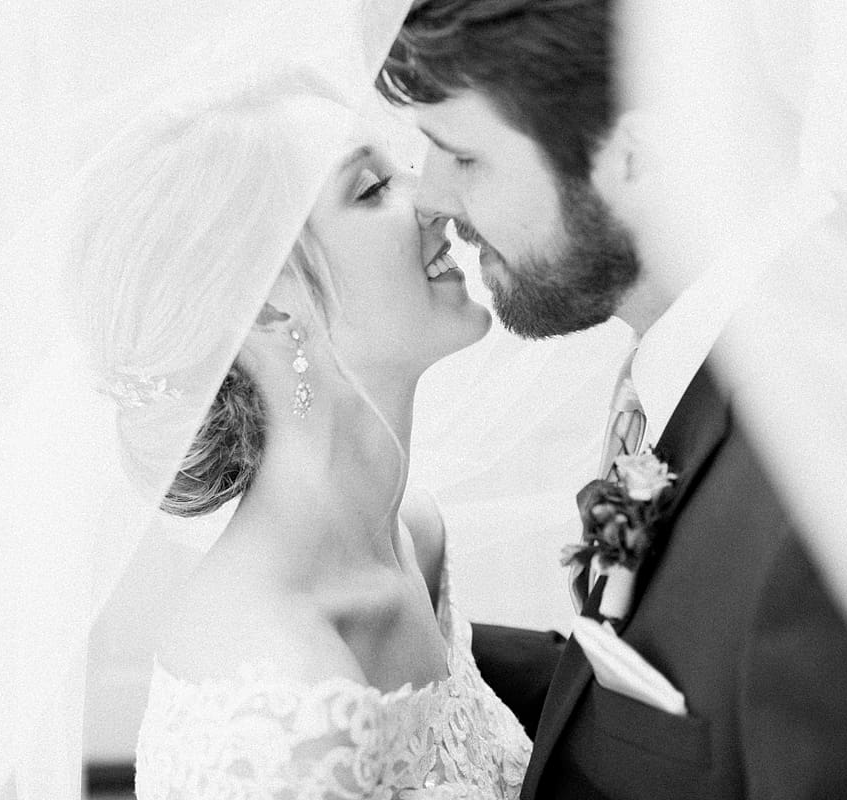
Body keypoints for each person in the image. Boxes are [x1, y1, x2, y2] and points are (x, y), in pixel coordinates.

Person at [378, 1, 847, 797]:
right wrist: (409, 642)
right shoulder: (715, 347)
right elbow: (674, 707)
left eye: (463, 157)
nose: (430, 197)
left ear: (636, 158)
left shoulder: (826, 476)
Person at [61, 75, 535, 796]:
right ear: (271, 313)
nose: (436, 200)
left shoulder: (414, 536)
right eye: (372, 188)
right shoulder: (289, 702)